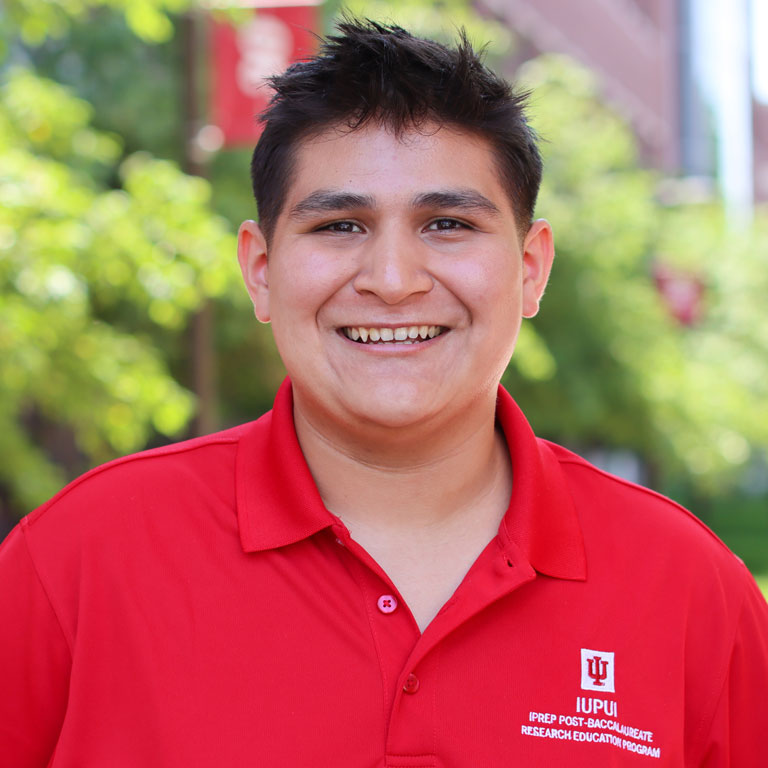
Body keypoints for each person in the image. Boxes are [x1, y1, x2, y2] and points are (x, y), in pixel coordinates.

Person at [1, 18, 767, 767]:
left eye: (446, 224)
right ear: (261, 270)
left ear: (530, 269)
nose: (393, 281)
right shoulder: (75, 564)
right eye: (339, 226)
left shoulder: (691, 593)